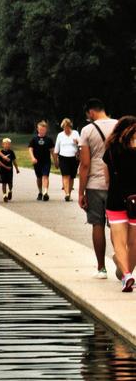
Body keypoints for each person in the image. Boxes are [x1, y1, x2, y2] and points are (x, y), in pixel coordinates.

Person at [78, 98, 118, 279]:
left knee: (97, 224)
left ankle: (101, 268)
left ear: (91, 112)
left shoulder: (87, 130)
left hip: (94, 185)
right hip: (116, 184)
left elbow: (85, 164)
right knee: (117, 225)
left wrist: (80, 192)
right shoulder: (119, 126)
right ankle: (122, 263)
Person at [102, 116, 136, 293]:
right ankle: (128, 273)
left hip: (115, 199)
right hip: (135, 200)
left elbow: (107, 178)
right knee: (134, 242)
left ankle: (127, 275)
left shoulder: (111, 150)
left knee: (119, 242)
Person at [54, 118, 80, 201]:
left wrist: (77, 143)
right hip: (63, 157)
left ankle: (69, 193)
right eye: (65, 127)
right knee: (65, 175)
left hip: (74, 158)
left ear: (70, 126)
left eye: (68, 127)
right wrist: (56, 161)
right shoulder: (60, 135)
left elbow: (81, 145)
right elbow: (56, 149)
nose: (66, 129)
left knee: (72, 176)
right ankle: (67, 194)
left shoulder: (75, 133)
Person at [28, 121, 55, 201]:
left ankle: (45, 192)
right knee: (39, 177)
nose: (42, 131)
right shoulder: (34, 139)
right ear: (37, 129)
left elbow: (52, 151)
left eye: (43, 129)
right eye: (40, 129)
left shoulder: (49, 140)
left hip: (46, 161)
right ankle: (40, 192)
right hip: (37, 161)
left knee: (45, 176)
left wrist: (55, 160)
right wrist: (32, 158)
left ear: (46, 130)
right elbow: (30, 149)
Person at [0, 137, 19, 202]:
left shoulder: (11, 152)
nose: (7, 145)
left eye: (9, 144)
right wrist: (6, 167)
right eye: (6, 144)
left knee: (10, 183)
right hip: (3, 171)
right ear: (2, 144)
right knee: (3, 183)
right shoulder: (1, 152)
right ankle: (4, 195)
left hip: (10, 171)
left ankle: (10, 191)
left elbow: (14, 161)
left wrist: (17, 169)